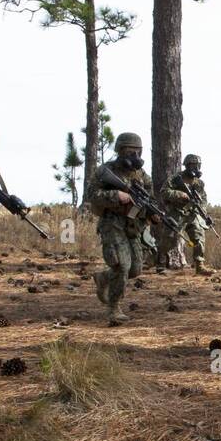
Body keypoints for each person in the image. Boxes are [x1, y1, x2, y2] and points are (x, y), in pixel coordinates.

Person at [87, 132, 156, 327]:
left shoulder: (142, 176)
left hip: (132, 226)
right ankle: (113, 307)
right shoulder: (106, 171)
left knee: (135, 269)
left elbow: (150, 199)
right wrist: (116, 195)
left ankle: (103, 278)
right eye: (129, 151)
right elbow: (92, 195)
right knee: (122, 266)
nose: (134, 156)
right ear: (120, 151)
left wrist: (153, 214)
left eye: (137, 152)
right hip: (112, 225)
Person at [161, 154, 215, 275]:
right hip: (177, 212)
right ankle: (160, 263)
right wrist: (180, 195)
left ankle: (200, 265)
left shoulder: (199, 183)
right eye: (192, 165)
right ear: (186, 165)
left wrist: (204, 214)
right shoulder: (176, 178)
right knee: (169, 238)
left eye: (197, 166)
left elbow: (203, 200)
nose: (195, 168)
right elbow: (164, 192)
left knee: (199, 237)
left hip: (192, 213)